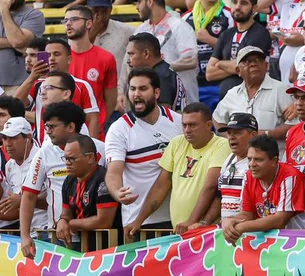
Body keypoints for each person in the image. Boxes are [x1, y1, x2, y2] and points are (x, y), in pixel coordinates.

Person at [130, 103, 228, 234]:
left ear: (208, 125)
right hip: (180, 230)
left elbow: (211, 187)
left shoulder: (222, 145)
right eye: (184, 125)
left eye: (192, 125)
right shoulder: (176, 143)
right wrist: (138, 221)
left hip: (205, 231)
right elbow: (161, 186)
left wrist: (192, 221)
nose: (187, 129)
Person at [106, 69, 183, 231]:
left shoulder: (178, 122)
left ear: (156, 93)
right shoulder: (119, 129)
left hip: (177, 218)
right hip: (138, 223)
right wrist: (117, 192)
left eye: (142, 89)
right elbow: (113, 172)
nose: (136, 94)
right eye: (132, 89)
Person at [19, 102, 91, 257]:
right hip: (58, 236)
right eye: (46, 127)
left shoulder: (98, 149)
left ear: (71, 127)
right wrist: (24, 235)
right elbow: (28, 195)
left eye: (52, 127)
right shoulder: (44, 154)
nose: (48, 131)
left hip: (95, 235)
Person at [222, 134, 305, 243]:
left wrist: (241, 227)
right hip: (271, 242)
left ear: (274, 161)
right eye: (249, 159)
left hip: (299, 242)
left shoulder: (291, 176)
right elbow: (247, 214)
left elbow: (280, 220)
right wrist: (229, 221)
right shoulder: (249, 176)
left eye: (258, 160)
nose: (251, 164)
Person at [184, 112, 257, 228]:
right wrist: (205, 223)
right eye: (229, 133)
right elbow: (220, 197)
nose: (231, 137)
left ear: (253, 135)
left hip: (251, 233)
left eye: (237, 133)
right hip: (228, 233)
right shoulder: (229, 160)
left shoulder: (256, 163)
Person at [132, 0, 199, 102]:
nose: (136, 7)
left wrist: (162, 69)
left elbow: (192, 61)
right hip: (151, 101)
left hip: (182, 103)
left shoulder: (179, 26)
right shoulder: (141, 30)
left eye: (139, 2)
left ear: (150, 1)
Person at [205, 0, 271, 97]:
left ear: (254, 8)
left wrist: (220, 63)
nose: (238, 7)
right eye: (235, 2)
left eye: (243, 3)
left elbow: (249, 68)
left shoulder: (260, 34)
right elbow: (210, 73)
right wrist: (237, 66)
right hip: (227, 100)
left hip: (253, 97)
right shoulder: (226, 34)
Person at [182, 0, 233, 106]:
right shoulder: (185, 18)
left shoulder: (229, 16)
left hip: (220, 84)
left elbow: (234, 51)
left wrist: (209, 39)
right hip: (193, 86)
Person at [56, 135, 119, 245]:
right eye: (65, 158)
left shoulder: (105, 179)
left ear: (90, 157)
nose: (67, 163)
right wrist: (62, 221)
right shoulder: (69, 181)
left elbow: (103, 221)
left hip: (109, 249)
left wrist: (72, 223)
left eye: (72, 159)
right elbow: (66, 214)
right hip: (83, 249)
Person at [63, 7, 118, 118]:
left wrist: (99, 124)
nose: (68, 23)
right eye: (65, 20)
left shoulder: (106, 58)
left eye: (74, 19)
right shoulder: (59, 57)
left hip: (94, 130)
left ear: (88, 23)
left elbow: (111, 100)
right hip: (65, 127)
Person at [125, 33, 187, 111]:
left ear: (146, 53)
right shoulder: (164, 70)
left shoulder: (161, 76)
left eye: (131, 54)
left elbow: (164, 114)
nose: (128, 60)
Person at [87, 0, 136, 86]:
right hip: (90, 89)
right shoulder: (80, 31)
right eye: (95, 11)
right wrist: (92, 32)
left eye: (103, 11)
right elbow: (78, 56)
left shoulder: (127, 31)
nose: (99, 16)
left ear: (110, 10)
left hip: (118, 88)